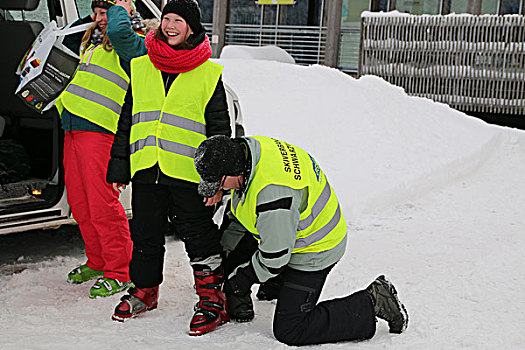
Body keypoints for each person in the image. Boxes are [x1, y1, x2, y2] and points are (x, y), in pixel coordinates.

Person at [194, 135, 409, 346]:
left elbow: (275, 257)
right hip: (292, 229)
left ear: (234, 170)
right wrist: (226, 255)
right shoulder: (249, 151)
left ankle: (374, 300)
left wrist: (243, 278)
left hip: (315, 248)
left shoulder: (273, 194)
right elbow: (243, 216)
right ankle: (276, 285)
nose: (222, 190)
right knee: (252, 257)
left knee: (291, 329)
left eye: (220, 183)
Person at [106, 0, 231, 336]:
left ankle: (212, 298)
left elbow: (220, 132)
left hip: (188, 173)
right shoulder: (142, 66)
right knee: (145, 234)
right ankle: (145, 291)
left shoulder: (208, 73)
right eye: (166, 19)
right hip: (147, 167)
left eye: (179, 20)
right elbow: (127, 120)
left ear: (191, 27)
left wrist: (216, 180)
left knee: (199, 236)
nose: (171, 26)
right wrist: (119, 169)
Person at [56, 0, 146, 299]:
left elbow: (120, 33)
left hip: (100, 132)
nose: (98, 19)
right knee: (81, 205)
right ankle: (97, 262)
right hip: (73, 128)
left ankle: (121, 271)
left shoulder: (132, 43)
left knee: (103, 205)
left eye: (105, 13)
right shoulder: (90, 41)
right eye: (95, 13)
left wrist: (123, 11)